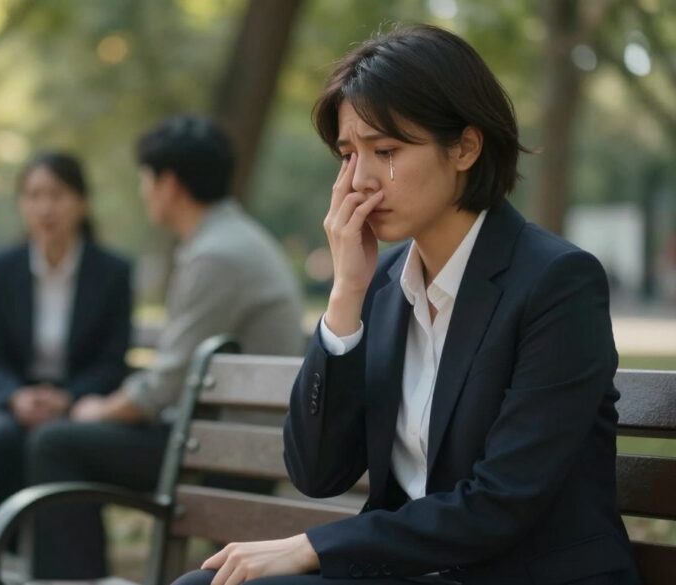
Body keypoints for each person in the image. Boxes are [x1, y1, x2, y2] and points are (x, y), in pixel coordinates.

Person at [176, 24, 641, 585]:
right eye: (348, 154)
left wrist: (313, 546)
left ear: (466, 147)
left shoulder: (556, 284)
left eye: (387, 151)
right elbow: (318, 472)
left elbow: (501, 503)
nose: (361, 180)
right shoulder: (383, 283)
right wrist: (345, 295)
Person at [26, 115, 305, 579]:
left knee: (56, 442)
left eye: (145, 179)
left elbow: (164, 388)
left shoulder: (216, 254)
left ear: (169, 184)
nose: (144, 191)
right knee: (63, 440)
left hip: (227, 450)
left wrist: (93, 410)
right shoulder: (232, 239)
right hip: (226, 438)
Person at [0, 151, 132, 509]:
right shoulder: (0, 270)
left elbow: (112, 360)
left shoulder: (112, 273)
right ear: (21, 205)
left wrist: (68, 399)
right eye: (34, 196)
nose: (45, 208)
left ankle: (57, 557)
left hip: (79, 399)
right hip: (14, 398)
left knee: (64, 442)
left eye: (57, 195)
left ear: (82, 203)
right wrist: (16, 397)